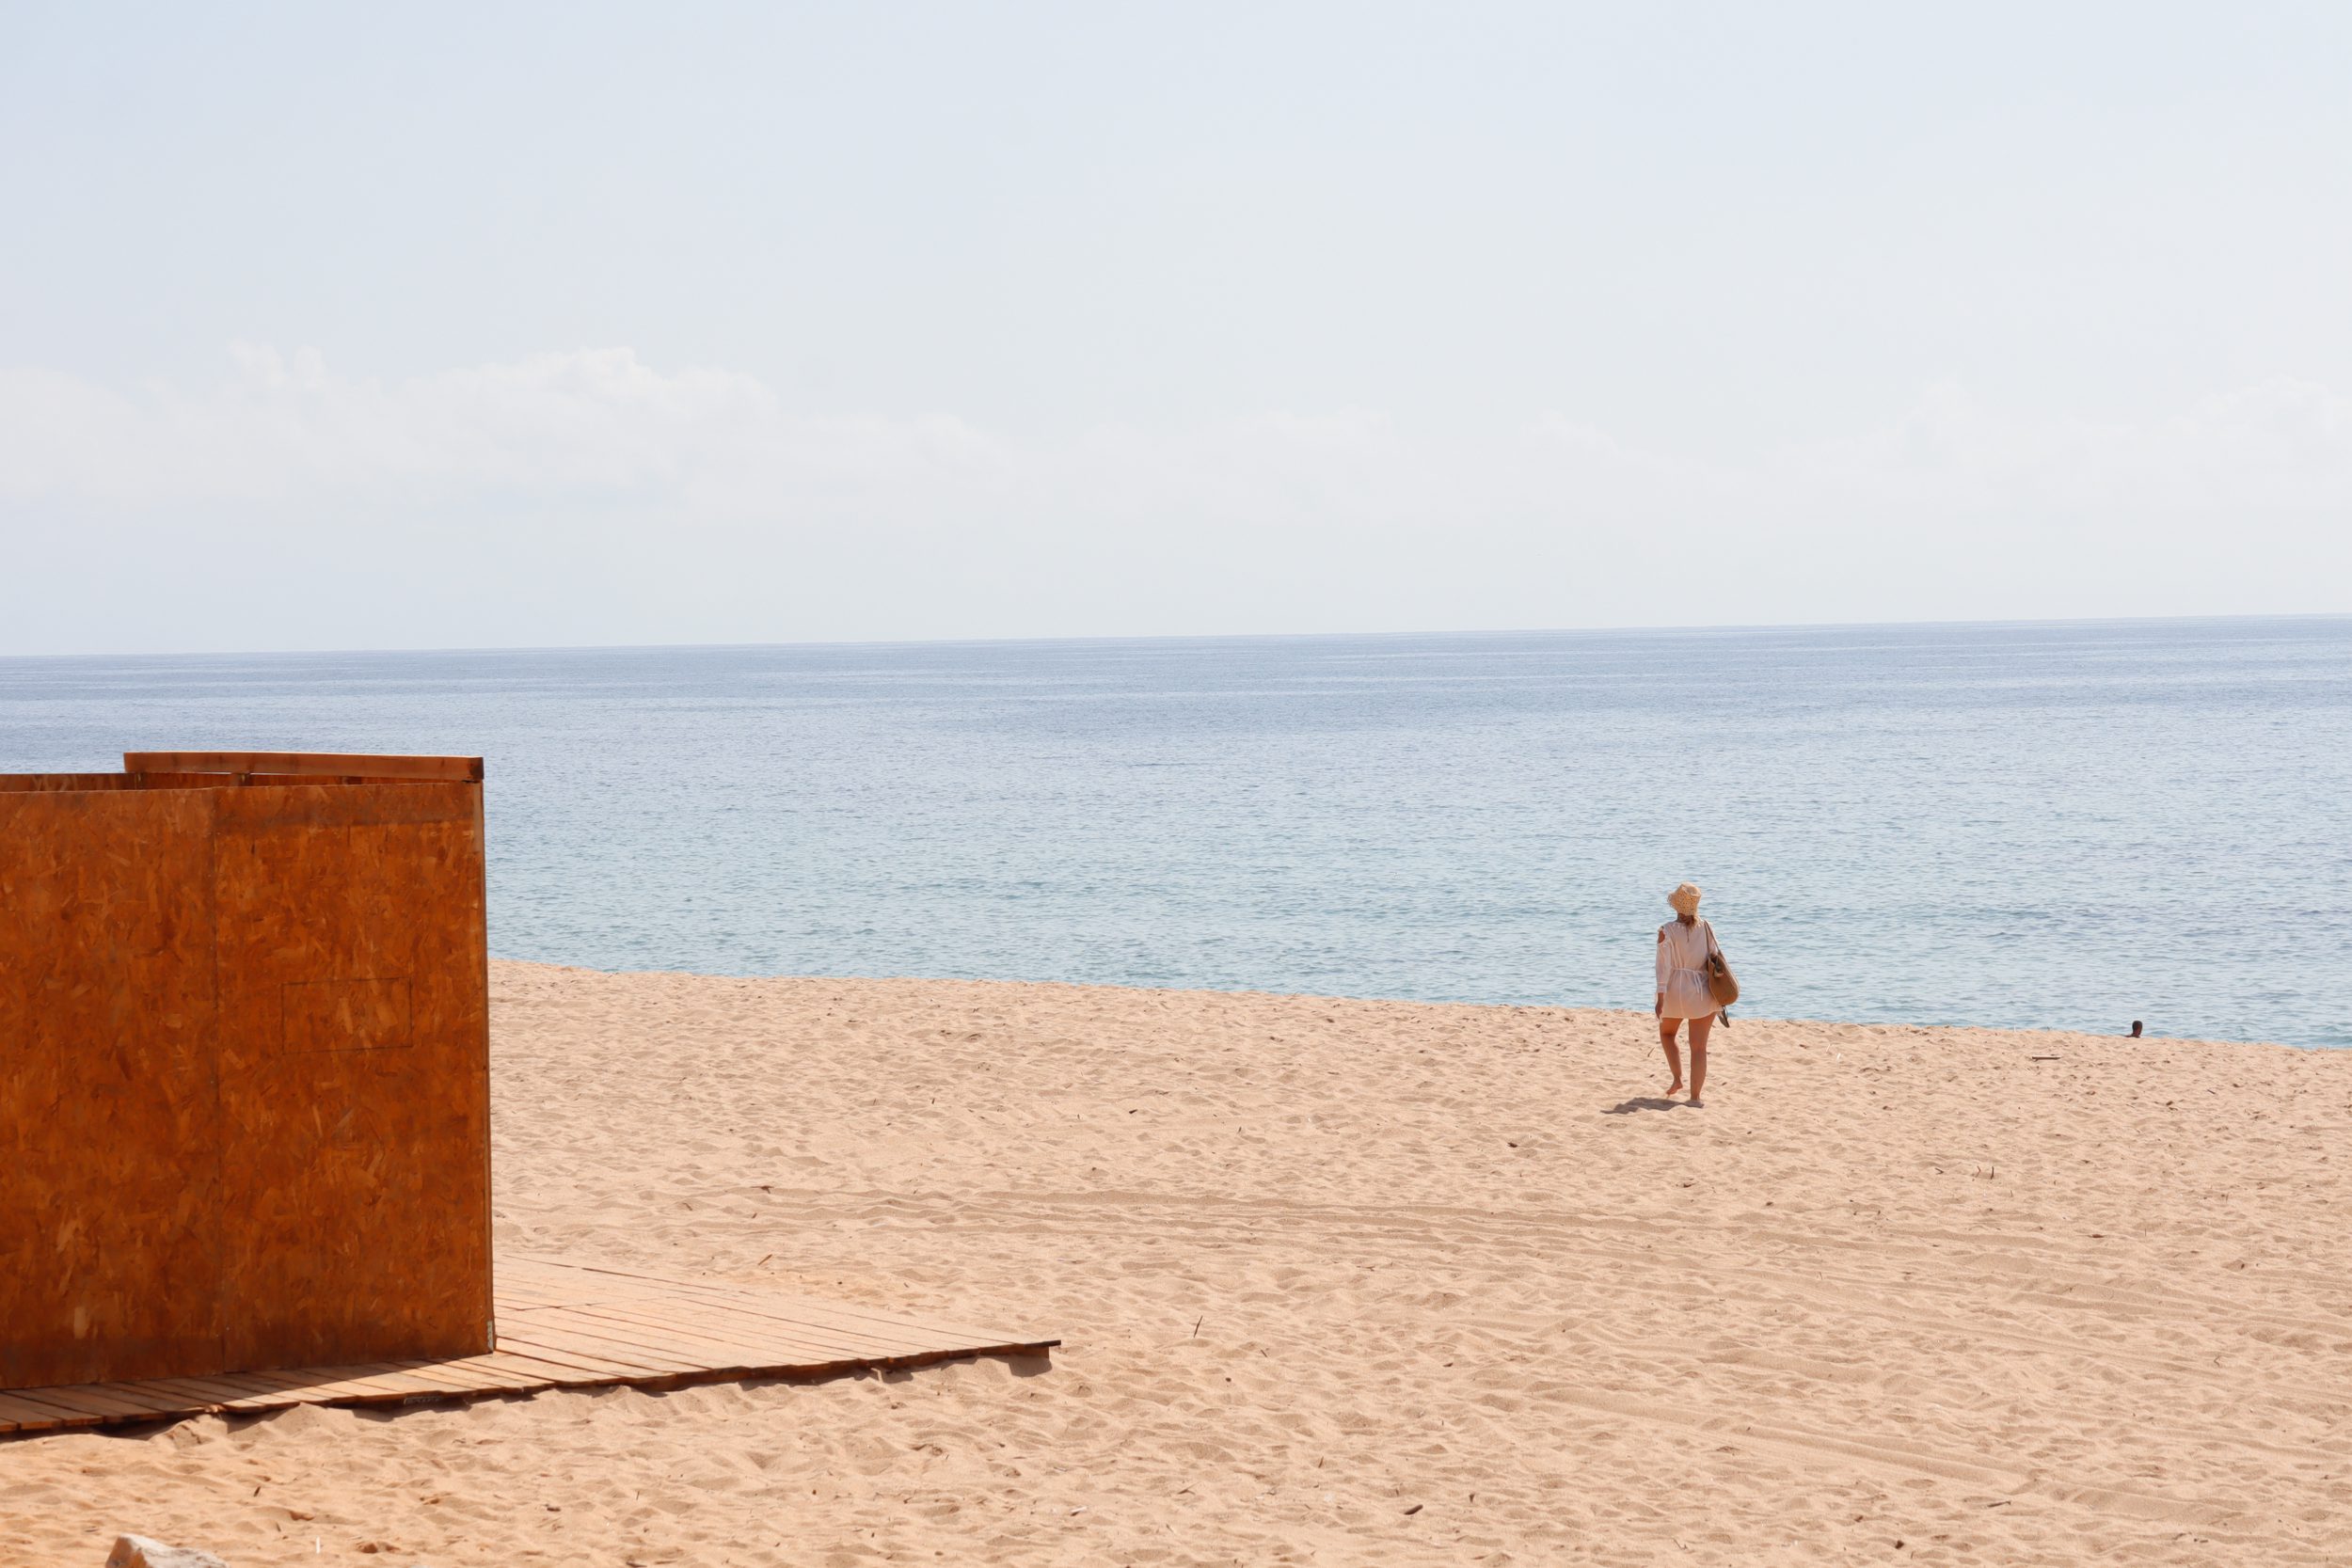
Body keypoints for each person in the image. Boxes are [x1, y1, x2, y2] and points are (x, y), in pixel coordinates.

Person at [1655, 881, 1725, 1105]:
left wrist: (1660, 997)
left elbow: (1663, 967)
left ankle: (1677, 1078)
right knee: (1699, 1047)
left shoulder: (1666, 931)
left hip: (1675, 990)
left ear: (1676, 906)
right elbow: (1715, 958)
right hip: (1702, 991)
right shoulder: (1706, 928)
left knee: (1667, 1034)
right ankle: (1695, 1098)